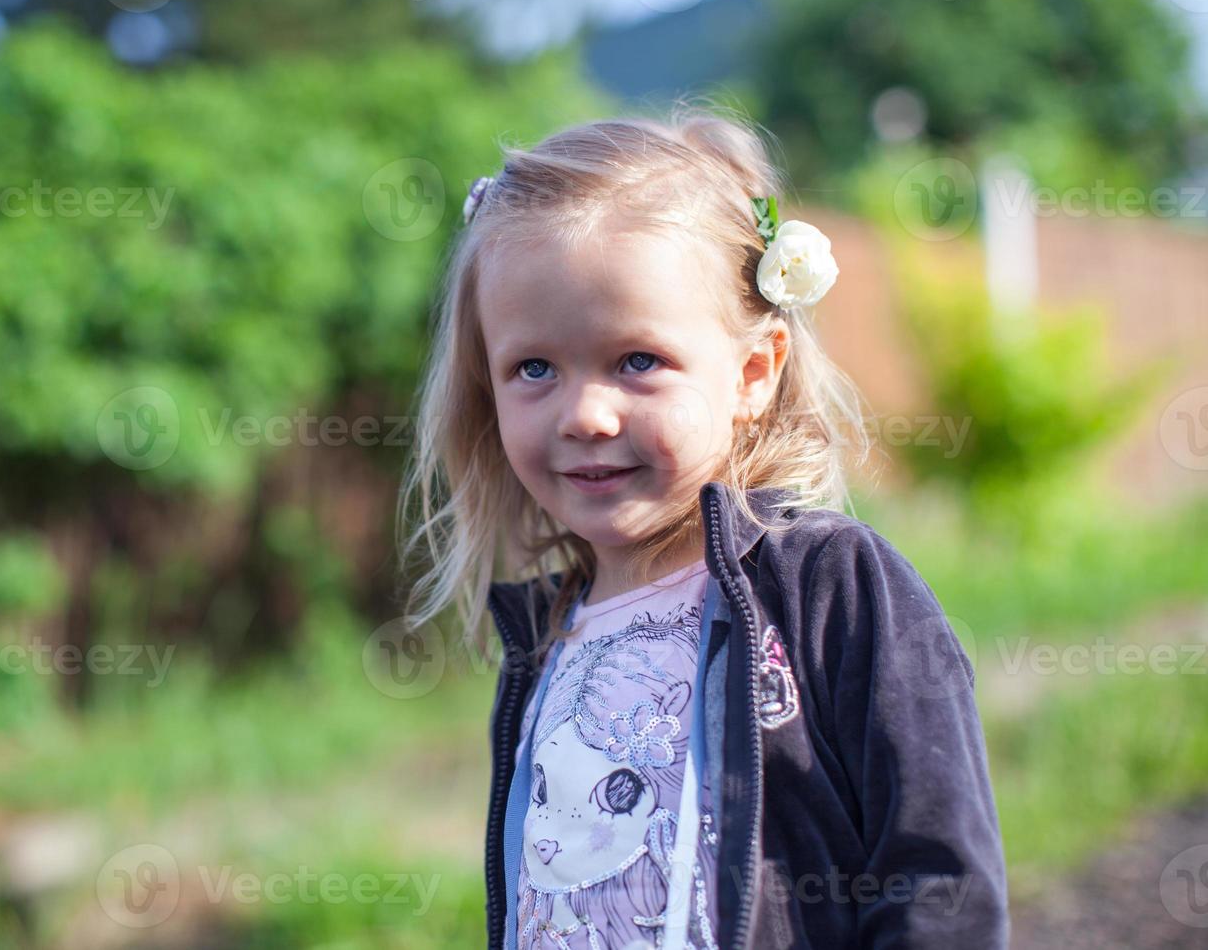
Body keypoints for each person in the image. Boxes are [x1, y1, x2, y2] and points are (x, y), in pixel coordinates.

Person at [395, 104, 1008, 950]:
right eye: (533, 367)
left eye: (636, 361)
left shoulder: (828, 586)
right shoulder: (549, 630)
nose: (586, 414)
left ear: (753, 372)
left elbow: (939, 876)